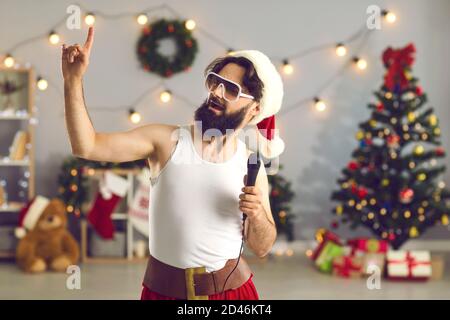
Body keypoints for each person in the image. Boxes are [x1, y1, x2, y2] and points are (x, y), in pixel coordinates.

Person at [61, 26, 285, 300]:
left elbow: (262, 247)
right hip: (164, 292)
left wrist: (257, 214)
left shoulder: (250, 165)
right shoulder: (166, 141)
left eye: (231, 89)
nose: (216, 91)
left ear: (255, 109)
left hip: (232, 294)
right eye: (215, 82)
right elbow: (87, 145)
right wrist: (73, 81)